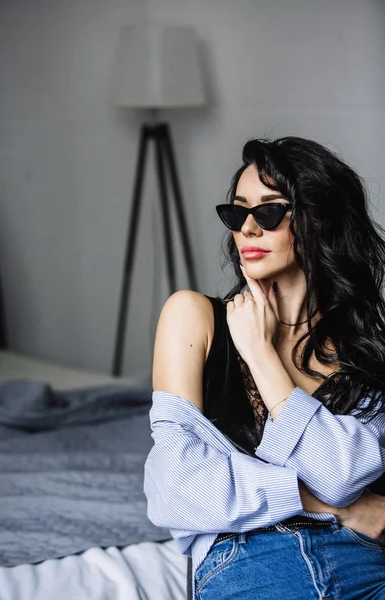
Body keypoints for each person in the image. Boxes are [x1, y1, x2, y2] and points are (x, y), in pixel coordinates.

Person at [143, 136, 385, 600]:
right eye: (237, 213)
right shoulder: (194, 316)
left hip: (362, 564)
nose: (247, 230)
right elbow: (174, 488)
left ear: (319, 221)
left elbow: (340, 473)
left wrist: (262, 355)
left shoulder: (365, 351)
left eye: (270, 212)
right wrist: (339, 508)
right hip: (250, 564)